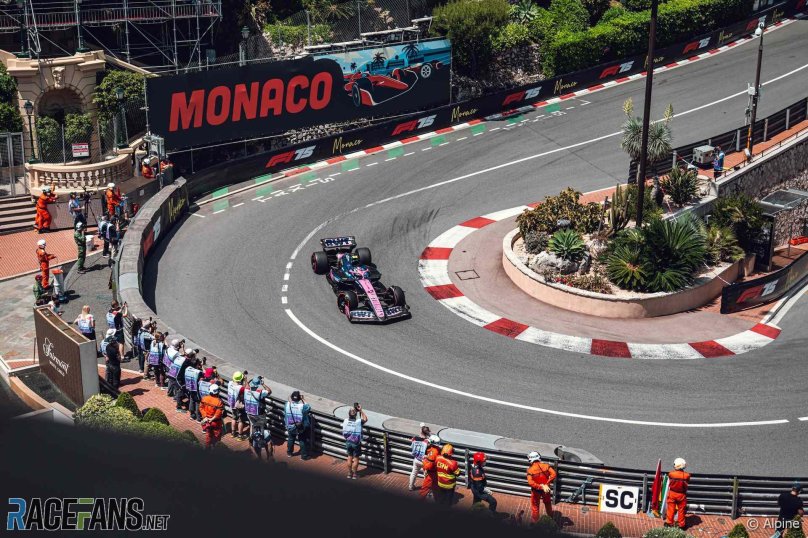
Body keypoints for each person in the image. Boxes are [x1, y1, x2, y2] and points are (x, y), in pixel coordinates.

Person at [527, 451, 556, 523]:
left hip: (536, 491)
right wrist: (546, 484)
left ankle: (535, 522)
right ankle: (550, 519)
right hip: (546, 489)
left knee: (535, 506)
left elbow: (530, 482)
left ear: (531, 460)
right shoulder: (546, 466)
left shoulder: (530, 470)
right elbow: (554, 474)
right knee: (548, 504)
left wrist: (540, 486)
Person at [342, 403, 368, 480]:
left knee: (349, 457)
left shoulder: (346, 420)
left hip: (348, 441)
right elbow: (365, 419)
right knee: (356, 458)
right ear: (356, 414)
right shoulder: (358, 422)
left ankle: (349, 473)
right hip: (356, 443)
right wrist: (361, 410)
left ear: (348, 414)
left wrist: (353, 411)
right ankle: (355, 475)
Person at [665, 458, 691, 529]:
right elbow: (687, 481)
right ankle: (681, 525)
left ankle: (669, 523)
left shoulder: (671, 474)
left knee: (670, 509)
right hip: (681, 495)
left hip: (672, 493)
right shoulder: (687, 475)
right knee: (681, 510)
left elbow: (670, 478)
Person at [284, 390, 311, 460]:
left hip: (290, 426)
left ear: (291, 397)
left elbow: (289, 400)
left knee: (291, 439)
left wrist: (291, 397)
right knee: (302, 440)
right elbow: (308, 407)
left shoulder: (287, 405)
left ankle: (289, 453)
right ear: (299, 398)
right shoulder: (302, 406)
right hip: (300, 427)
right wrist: (303, 399)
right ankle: (304, 456)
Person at [199, 383, 225, 449]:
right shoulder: (219, 401)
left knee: (208, 435)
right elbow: (218, 413)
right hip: (216, 422)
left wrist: (205, 417)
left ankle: (207, 448)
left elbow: (201, 408)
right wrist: (212, 419)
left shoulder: (204, 398)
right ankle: (215, 449)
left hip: (207, 421)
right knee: (217, 436)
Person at [409, 423, 431, 491]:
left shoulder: (414, 439)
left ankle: (410, 486)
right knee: (426, 476)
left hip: (416, 459)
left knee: (413, 473)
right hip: (425, 461)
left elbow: (412, 443)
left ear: (421, 431)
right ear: (427, 433)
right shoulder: (427, 441)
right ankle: (425, 489)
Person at [227, 371, 248, 440]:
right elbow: (246, 389)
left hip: (232, 404)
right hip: (238, 406)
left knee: (234, 418)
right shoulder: (240, 388)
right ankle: (240, 435)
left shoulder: (230, 383)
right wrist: (245, 380)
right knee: (241, 420)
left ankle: (233, 433)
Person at [420, 434, 442, 500]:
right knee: (435, 486)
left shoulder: (434, 452)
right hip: (436, 471)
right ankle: (436, 497)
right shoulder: (438, 449)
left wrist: (424, 461)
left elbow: (429, 466)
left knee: (425, 487)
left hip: (431, 473)